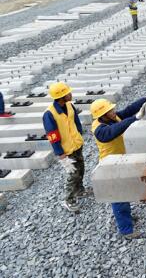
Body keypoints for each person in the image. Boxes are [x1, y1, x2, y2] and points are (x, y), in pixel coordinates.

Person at [90, 85, 146, 240]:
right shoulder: (100, 129)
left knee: (123, 190)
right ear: (103, 115)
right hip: (110, 165)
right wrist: (135, 119)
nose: (114, 111)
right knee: (118, 195)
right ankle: (126, 231)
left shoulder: (112, 118)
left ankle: (126, 217)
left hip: (119, 160)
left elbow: (128, 110)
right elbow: (113, 132)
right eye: (110, 110)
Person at [42, 83, 89, 212]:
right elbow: (52, 135)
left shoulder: (69, 105)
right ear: (61, 96)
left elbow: (76, 122)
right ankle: (68, 200)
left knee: (81, 168)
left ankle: (80, 190)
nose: (71, 94)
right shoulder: (49, 114)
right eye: (68, 93)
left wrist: (79, 135)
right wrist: (60, 153)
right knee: (73, 174)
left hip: (76, 145)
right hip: (66, 150)